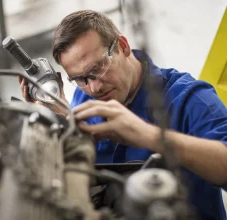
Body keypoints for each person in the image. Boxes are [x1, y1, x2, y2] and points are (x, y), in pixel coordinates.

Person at [19, 10, 227, 219]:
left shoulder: (191, 100)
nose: (94, 87)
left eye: (98, 67)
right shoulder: (85, 98)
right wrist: (62, 115)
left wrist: (150, 135)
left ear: (123, 46)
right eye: (80, 79)